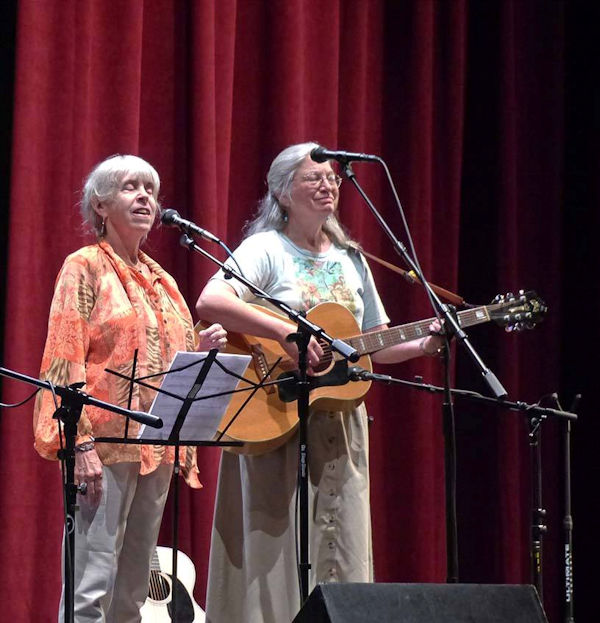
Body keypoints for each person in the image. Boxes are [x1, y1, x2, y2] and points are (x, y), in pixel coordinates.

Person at [195, 142, 445, 623]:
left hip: (340, 425)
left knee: (342, 549)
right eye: (315, 177)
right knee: (275, 550)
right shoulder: (266, 248)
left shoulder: (352, 259)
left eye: (333, 177)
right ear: (283, 192)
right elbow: (212, 299)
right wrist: (285, 332)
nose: (329, 184)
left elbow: (370, 341)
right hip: (276, 416)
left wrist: (420, 346)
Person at [33, 154, 227, 622]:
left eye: (151, 189)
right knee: (90, 587)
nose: (145, 197)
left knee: (134, 591)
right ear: (99, 206)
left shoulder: (162, 280)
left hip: (155, 449)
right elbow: (64, 355)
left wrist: (199, 348)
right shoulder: (84, 266)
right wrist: (79, 444)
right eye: (129, 187)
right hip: (102, 446)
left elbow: (167, 357)